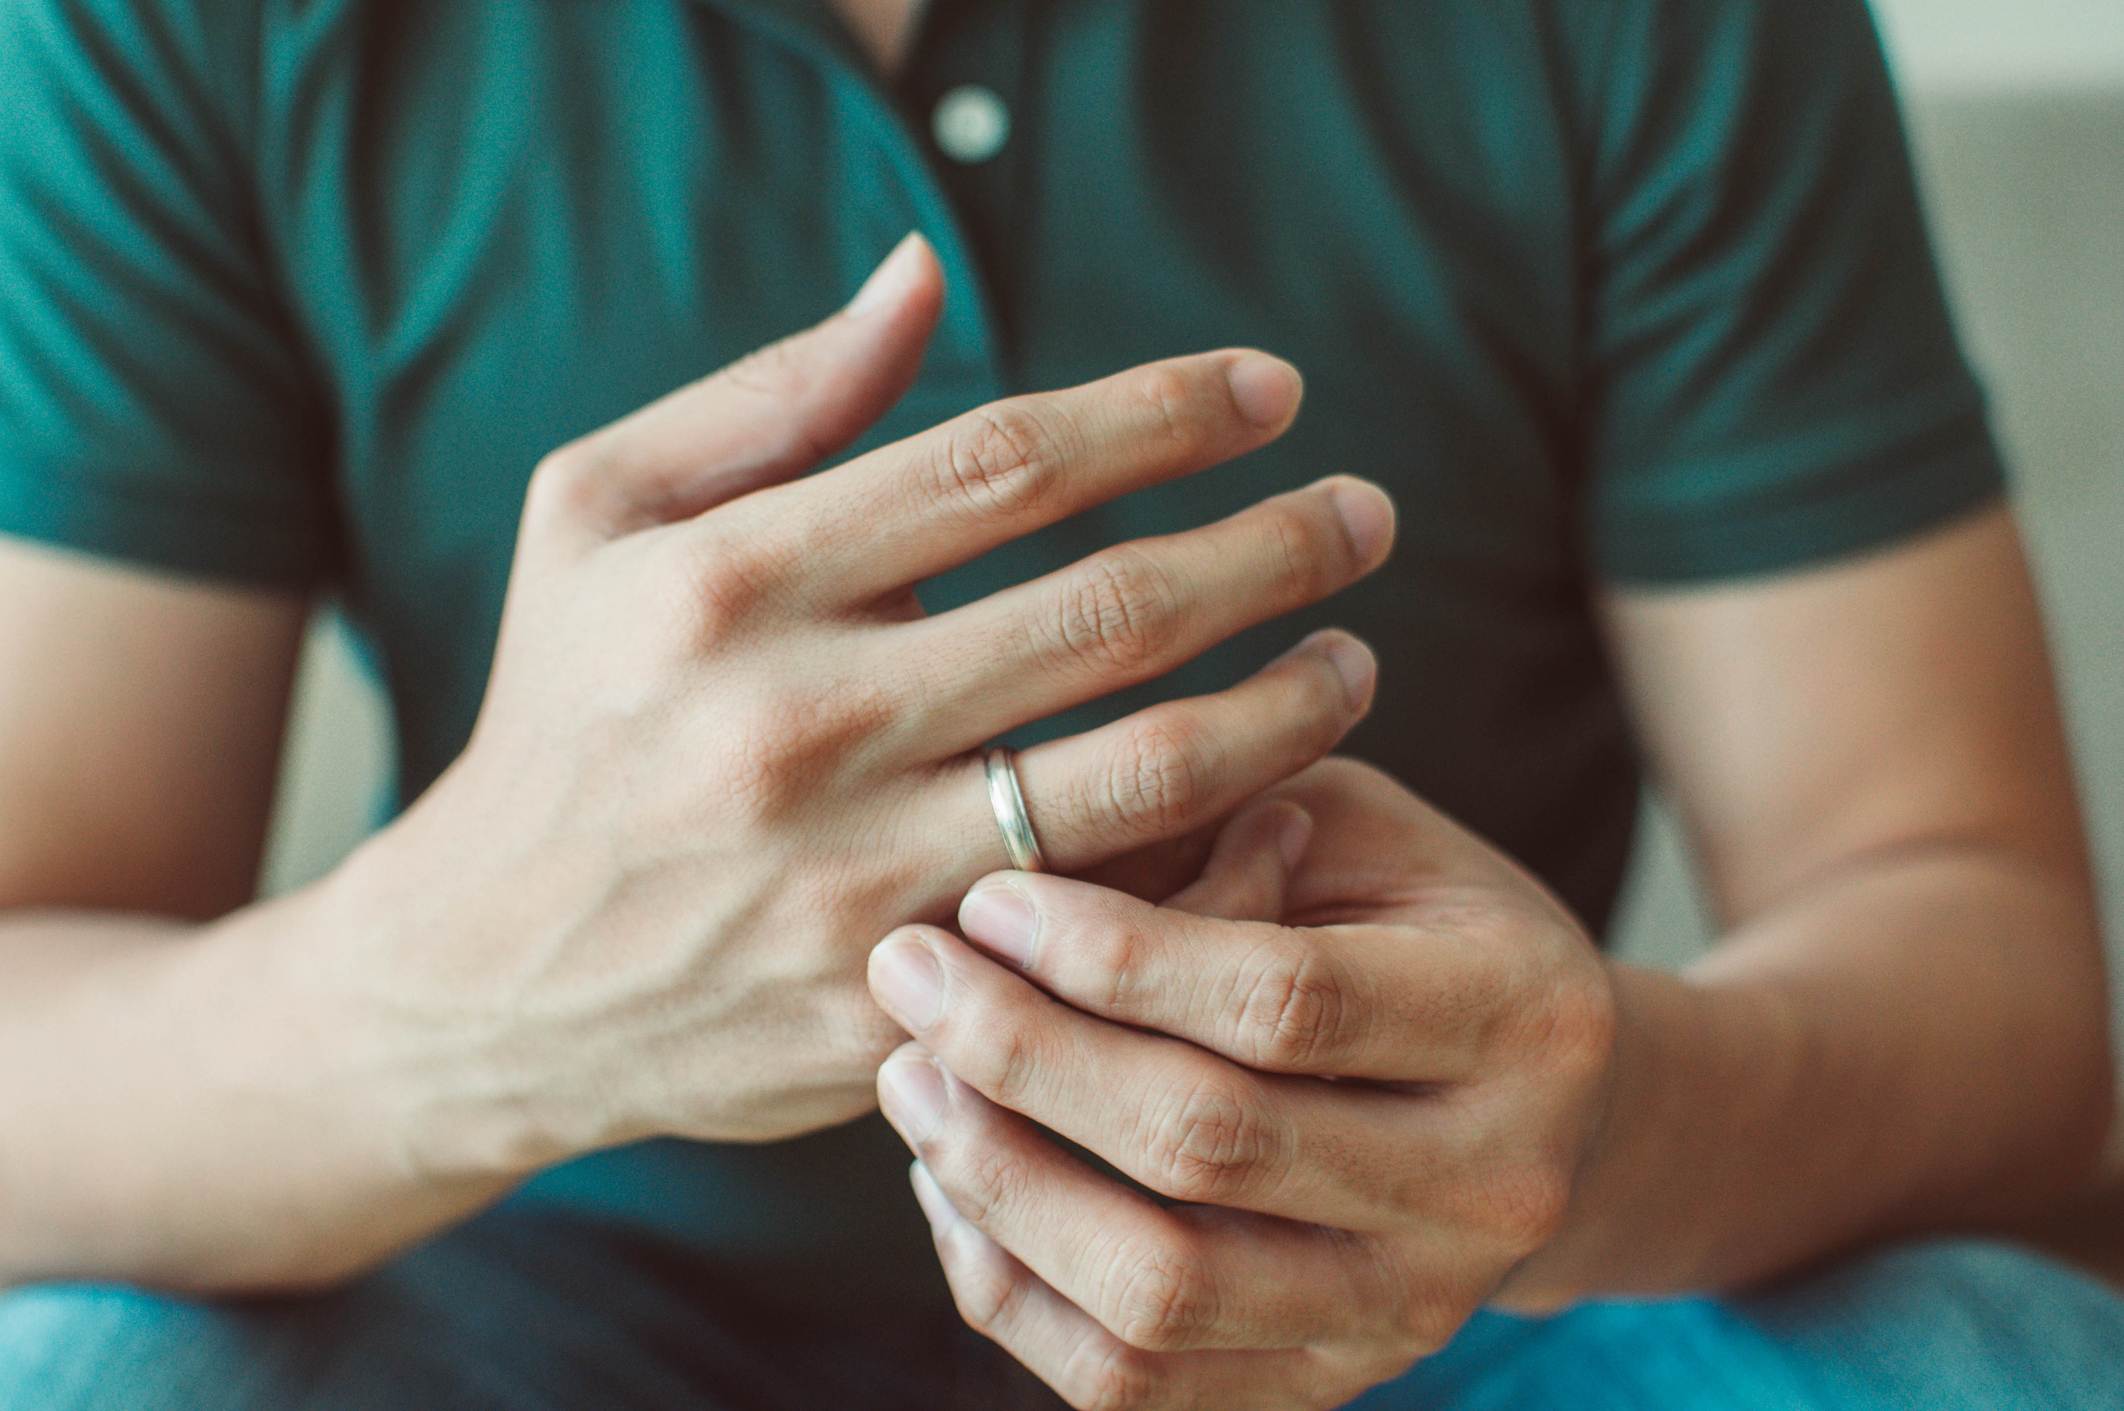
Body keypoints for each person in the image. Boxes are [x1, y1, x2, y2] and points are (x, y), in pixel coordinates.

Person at [0, 0, 2119, 1406]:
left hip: (1463, 1325)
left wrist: (1601, 1125)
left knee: (1998, 1355)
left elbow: (1991, 964)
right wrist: (446, 1004)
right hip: (511, 1298)